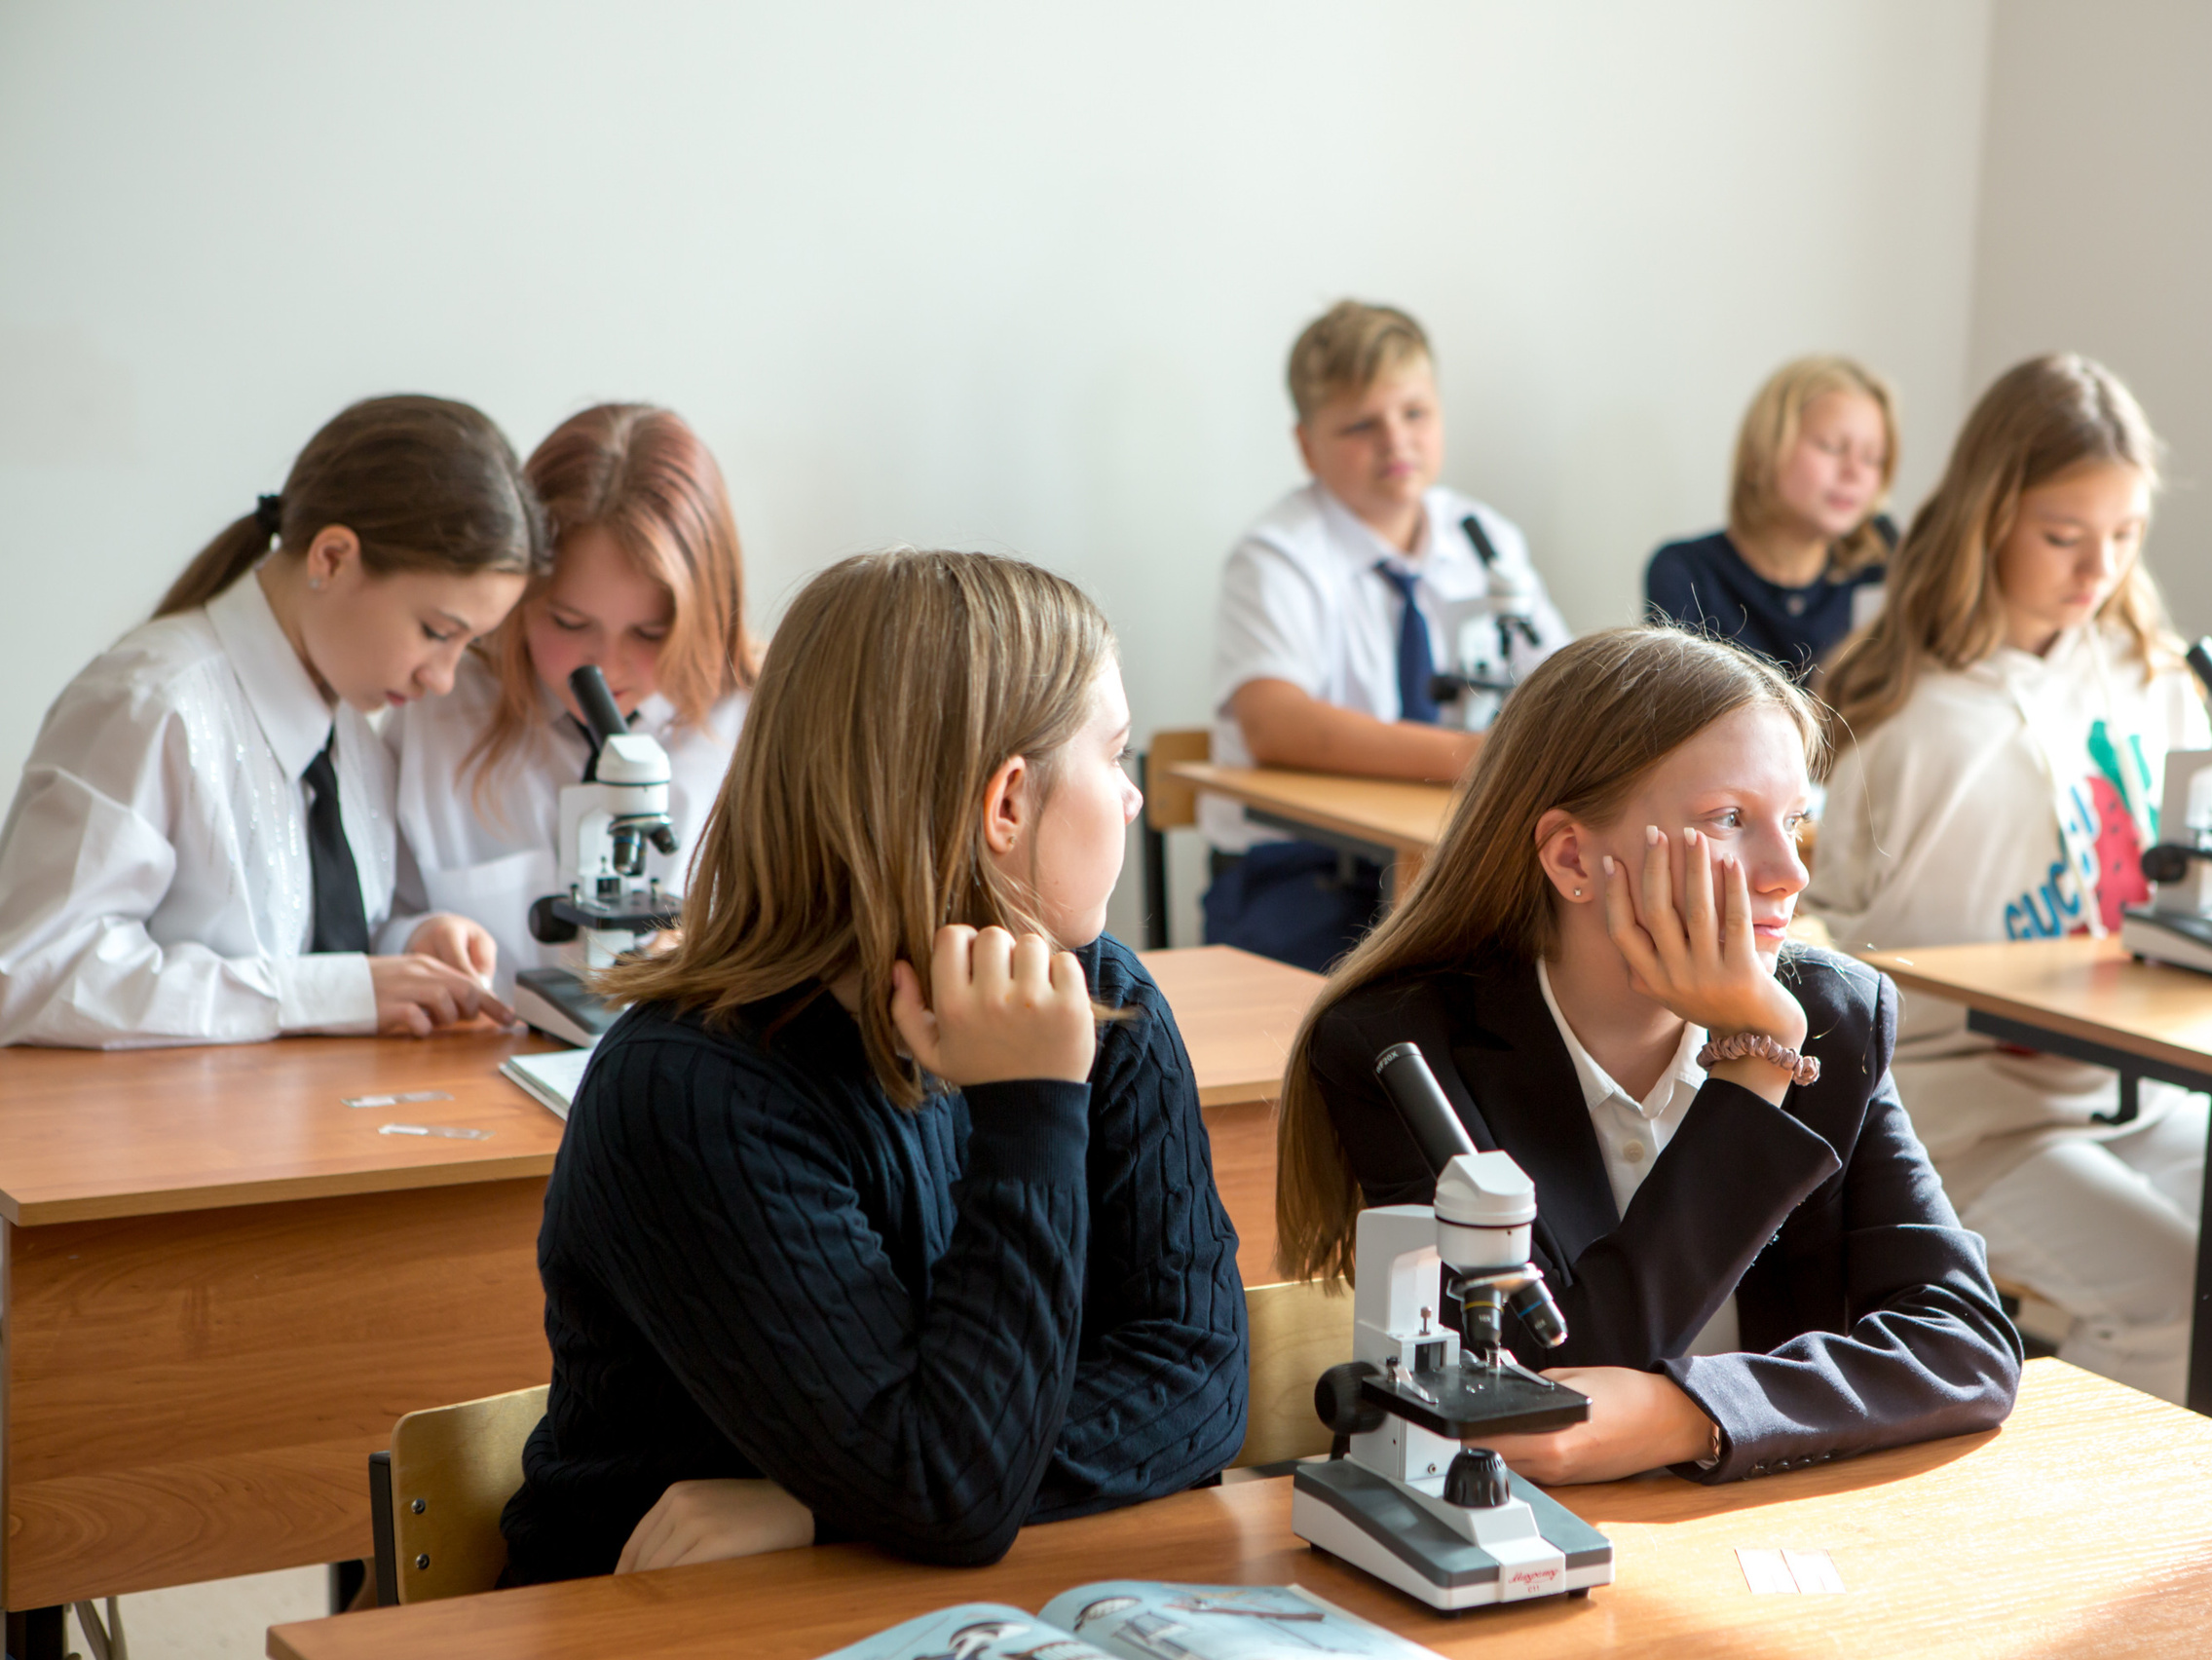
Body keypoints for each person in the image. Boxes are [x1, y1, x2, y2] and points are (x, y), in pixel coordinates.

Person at [499, 549, 1250, 1581]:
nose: (1128, 802)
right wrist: (1028, 1108)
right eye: (1112, 756)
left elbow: (1200, 1380)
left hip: (911, 1592)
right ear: (1008, 805)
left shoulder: (1101, 1003)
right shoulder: (688, 1092)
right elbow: (949, 1491)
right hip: (655, 1625)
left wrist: (823, 1511)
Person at [1275, 624, 2019, 1487]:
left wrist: (1689, 1413)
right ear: (1572, 857)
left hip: (1756, 1520)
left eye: (1795, 821)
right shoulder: (1402, 1050)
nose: (1789, 873)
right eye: (1731, 820)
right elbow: (1549, 1393)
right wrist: (1753, 1068)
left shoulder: (1829, 1016)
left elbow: (1966, 1344)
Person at [1809, 354, 2212, 1411]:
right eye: (2062, 536)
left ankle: (2187, 1551)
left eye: (2125, 535)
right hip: (1960, 1109)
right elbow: (1810, 930)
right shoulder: (1904, 716)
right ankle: (2089, 1549)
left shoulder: (2149, 675)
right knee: (2184, 1308)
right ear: (1987, 518)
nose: (2097, 568)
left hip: (2132, 1087)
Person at [0, 396, 544, 1046]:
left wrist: (410, 948)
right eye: (435, 631)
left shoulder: (353, 740)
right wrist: (340, 992)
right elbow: (36, 972)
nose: (443, 678)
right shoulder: (151, 703)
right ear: (332, 558)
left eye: (467, 644)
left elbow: (304, 939)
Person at [1203, 300, 1569, 971]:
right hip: (1306, 873)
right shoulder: (1278, 556)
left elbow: (1565, 692)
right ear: (1307, 445)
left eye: (1415, 413)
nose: (1396, 441)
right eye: (1361, 425)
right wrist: (1476, 755)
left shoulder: (1484, 539)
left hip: (1458, 857)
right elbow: (1275, 724)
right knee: (1362, 1028)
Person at [389, 404, 758, 996]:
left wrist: (715, 955)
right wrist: (417, 937)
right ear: (517, 596)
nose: (605, 668)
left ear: (707, 613)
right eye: (567, 621)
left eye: (650, 634)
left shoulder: (759, 726)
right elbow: (371, 922)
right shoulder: (439, 708)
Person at [1644, 356, 1898, 684]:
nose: (1855, 473)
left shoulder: (1880, 571)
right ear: (1765, 448)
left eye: (1872, 458)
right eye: (1831, 446)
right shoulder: (1686, 574)